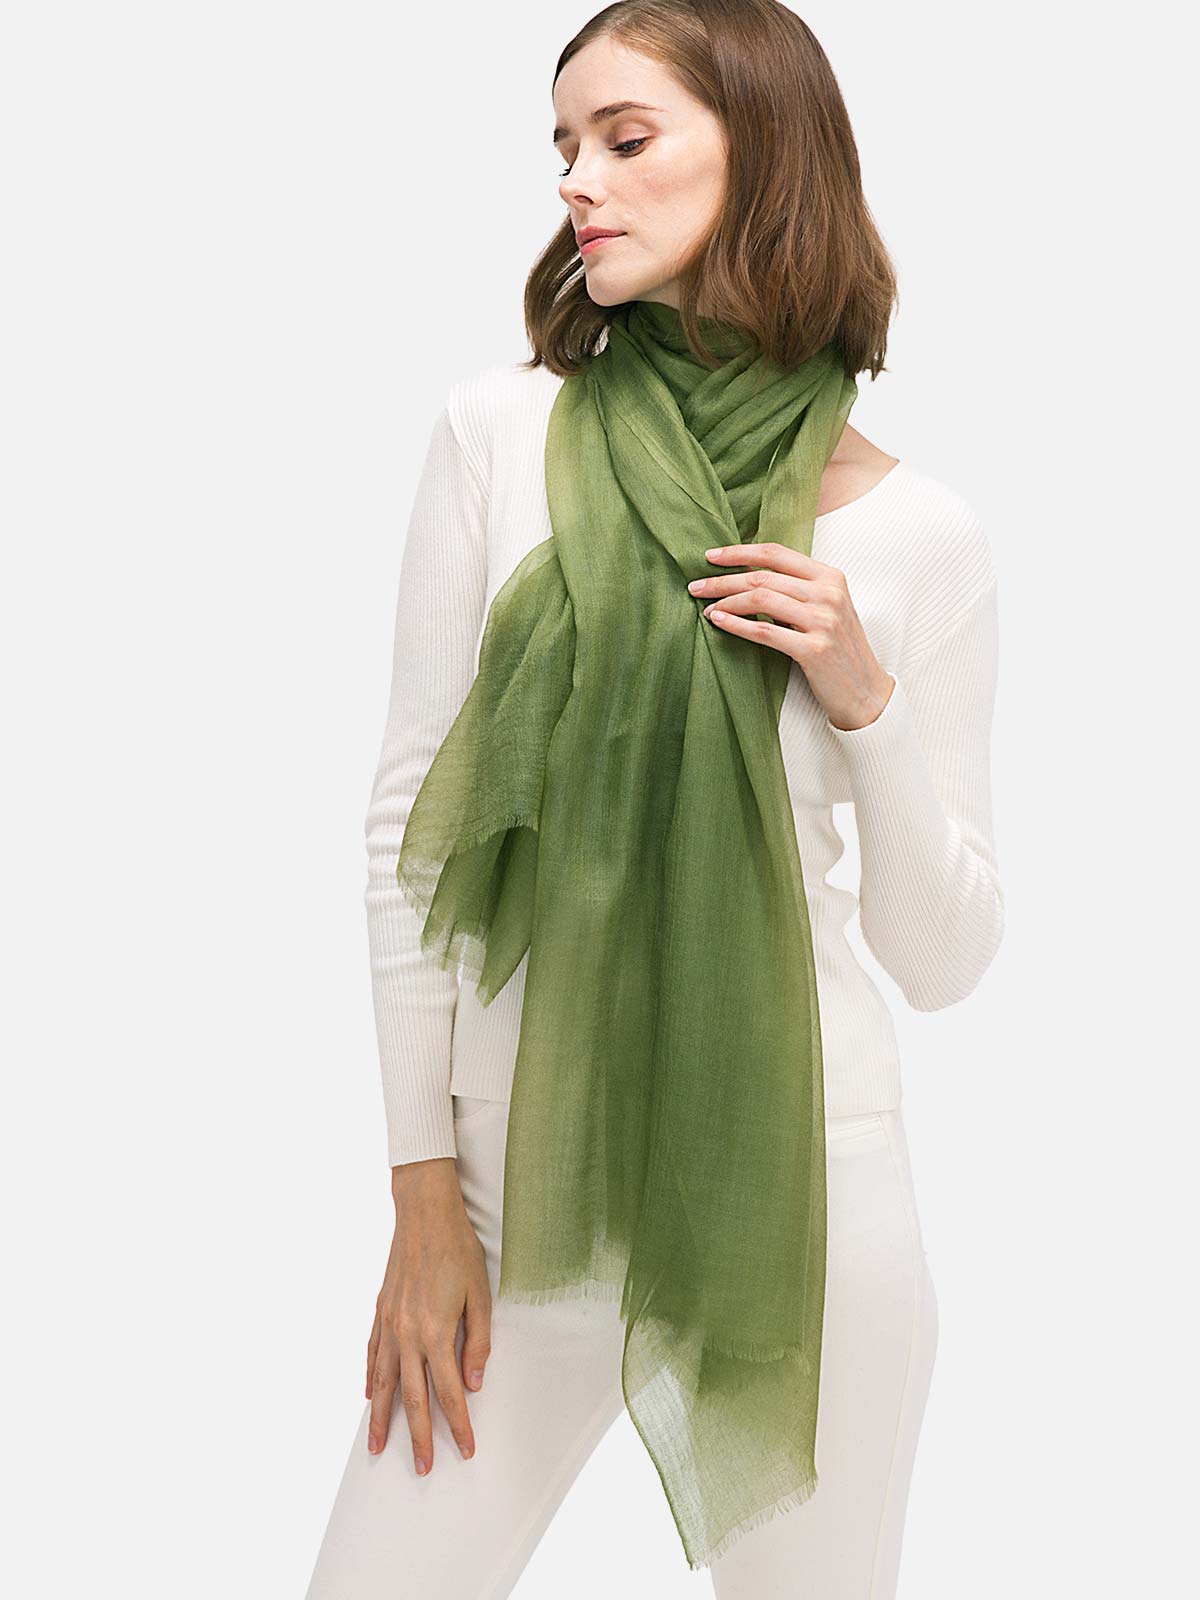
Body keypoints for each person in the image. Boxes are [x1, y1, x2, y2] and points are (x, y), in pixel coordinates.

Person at [305, 3, 1003, 1595]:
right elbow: (404, 832)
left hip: (805, 1191)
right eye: (565, 146)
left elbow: (949, 956)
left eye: (624, 139)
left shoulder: (920, 538)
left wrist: (866, 700)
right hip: (514, 1191)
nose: (577, 179)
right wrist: (423, 1200)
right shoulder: (502, 436)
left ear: (766, 158)